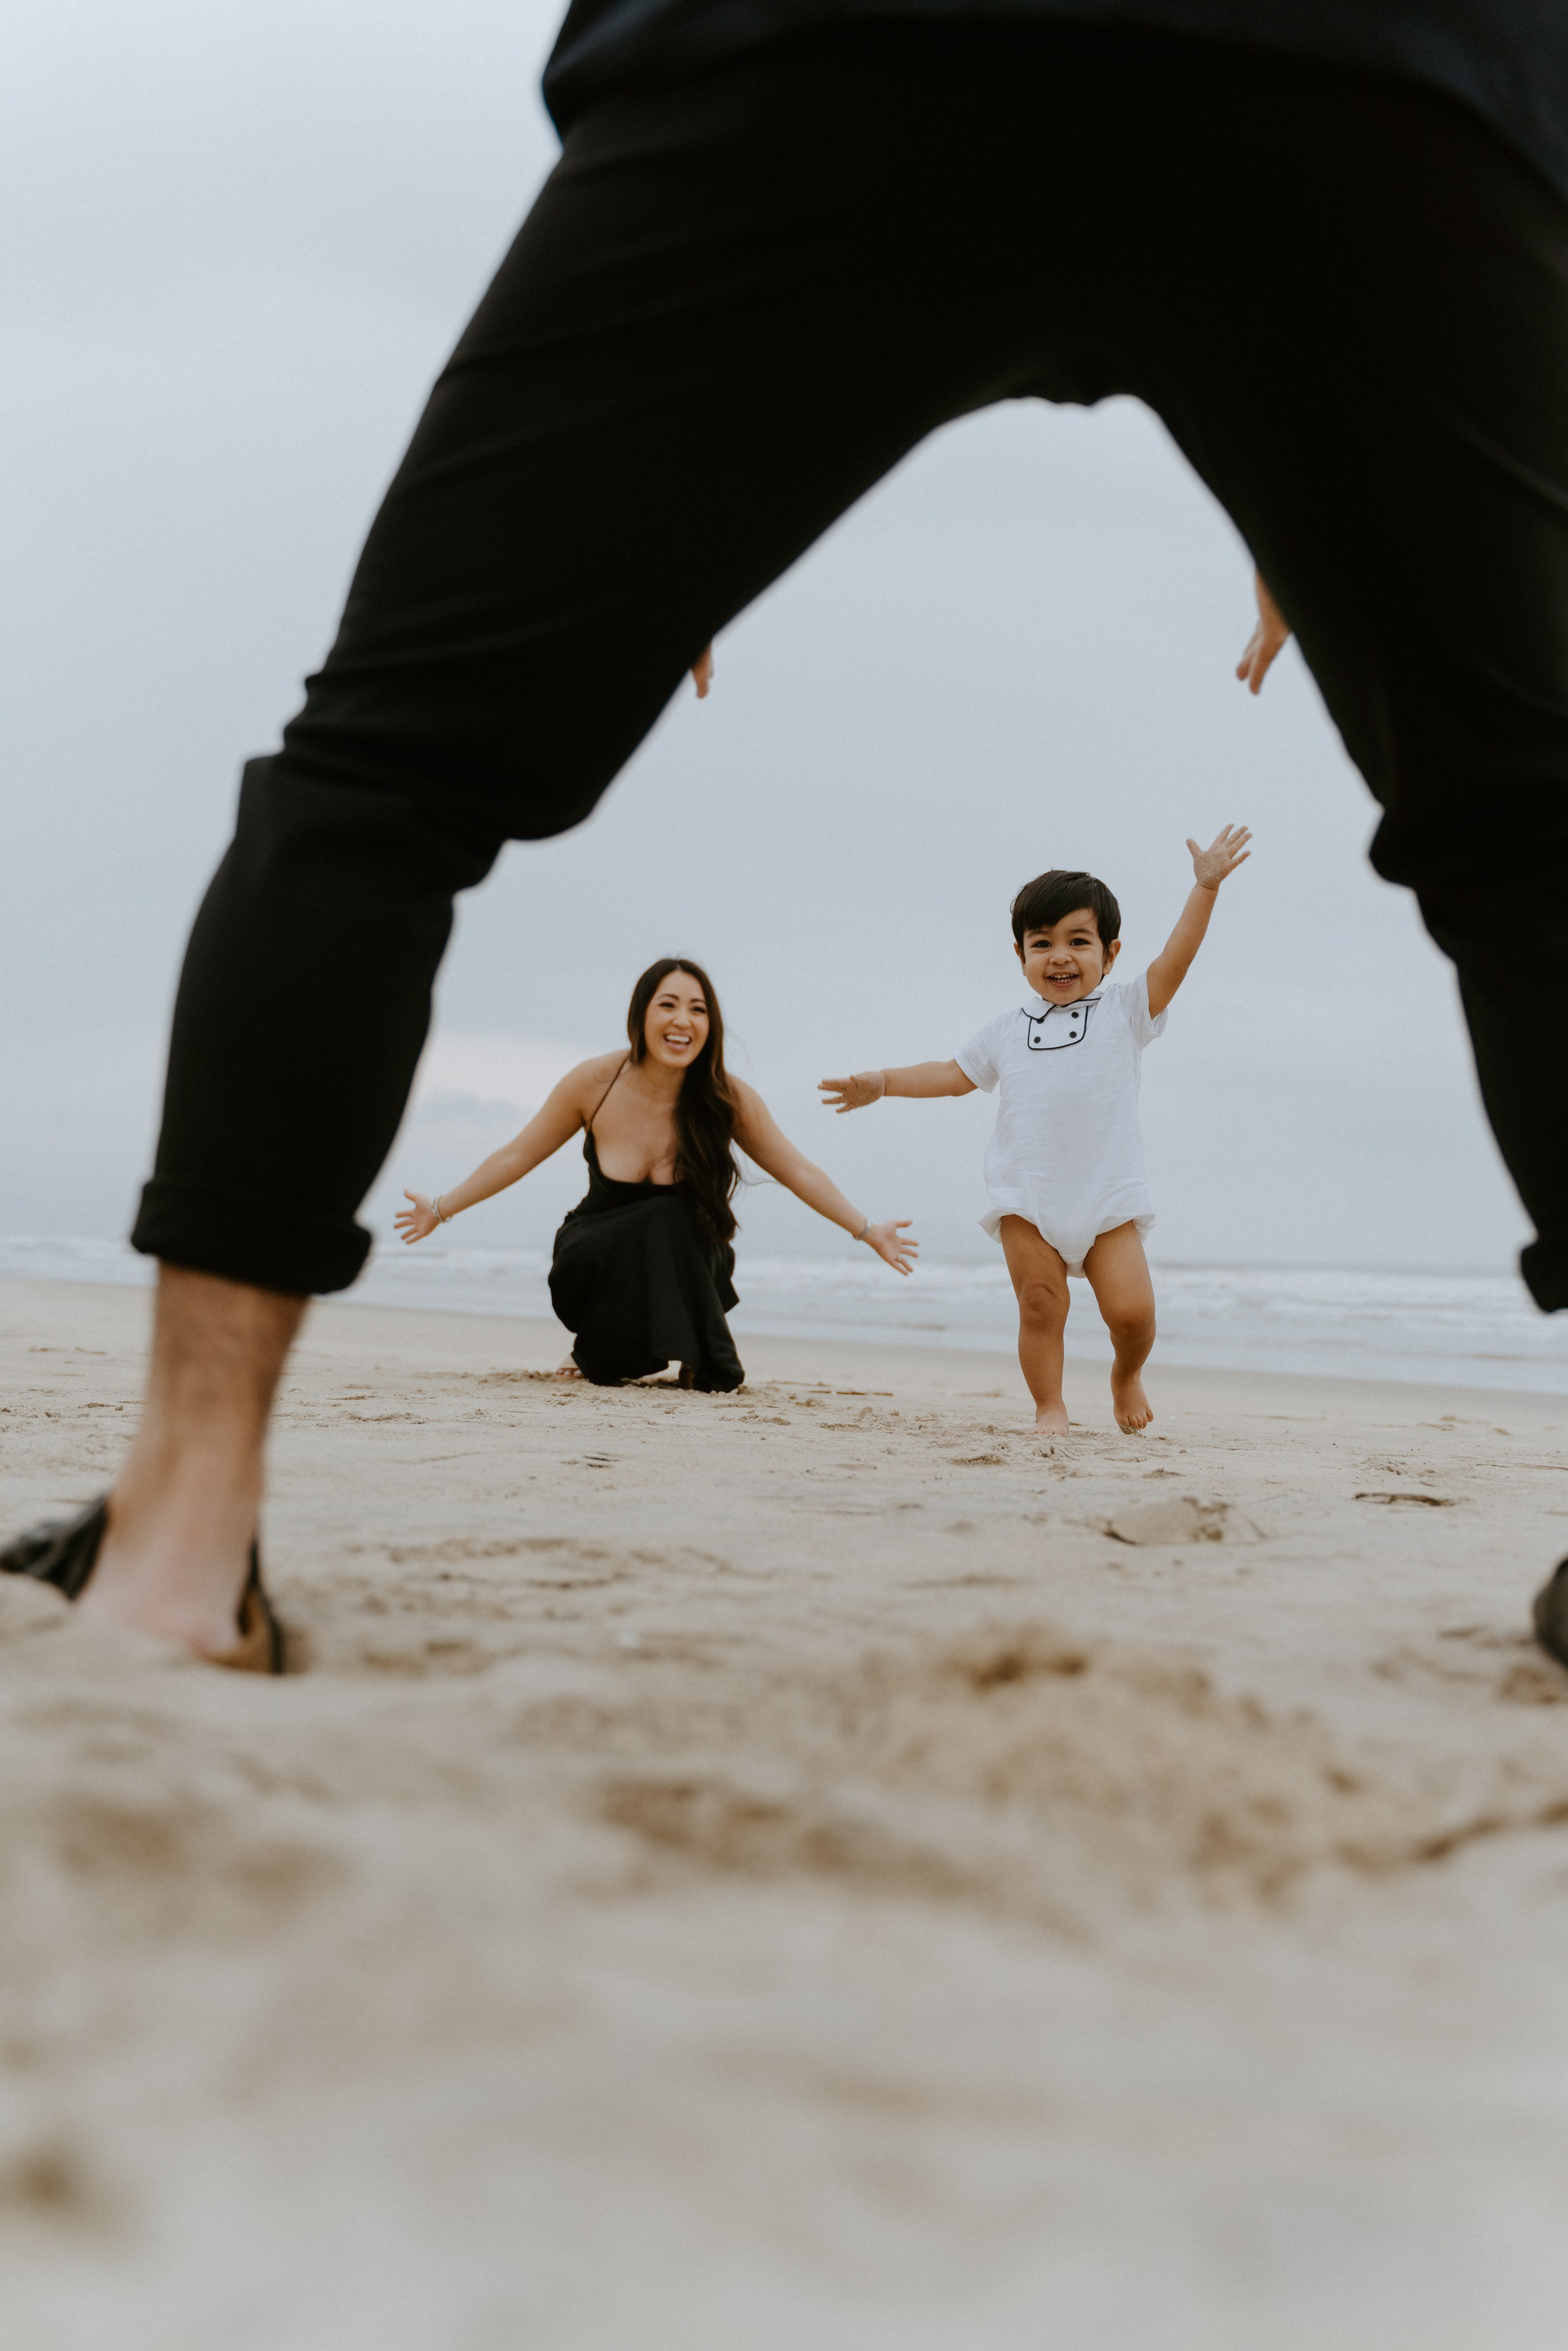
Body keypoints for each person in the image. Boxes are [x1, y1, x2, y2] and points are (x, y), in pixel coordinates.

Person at [7, 1, 1568, 1668]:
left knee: (389, 768)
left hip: (821, 60)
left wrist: (662, 455)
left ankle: (176, 1542)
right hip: (1372, 76)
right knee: (1535, 832)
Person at [821, 833, 1250, 1436]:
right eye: (1041, 943)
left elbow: (1176, 960)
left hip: (1107, 1197)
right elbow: (950, 1075)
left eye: (1079, 941)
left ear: (1110, 952)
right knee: (1041, 1305)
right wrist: (883, 1081)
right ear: (1020, 954)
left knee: (1132, 1315)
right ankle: (1049, 1406)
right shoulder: (1005, 1030)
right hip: (1026, 1195)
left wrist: (1204, 886)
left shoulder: (1125, 1010)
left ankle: (1125, 1374)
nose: (1060, 957)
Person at [395, 957, 916, 1392]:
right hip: (595, 1261)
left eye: (698, 1009)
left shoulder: (725, 1097)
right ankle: (613, 1344)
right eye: (667, 1005)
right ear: (641, 1014)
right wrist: (442, 1208)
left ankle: (690, 1349)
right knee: (654, 1238)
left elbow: (797, 1169)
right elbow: (516, 1156)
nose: (682, 1021)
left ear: (710, 1025)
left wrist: (868, 1230)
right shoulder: (594, 1082)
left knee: (675, 1216)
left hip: (688, 1264)